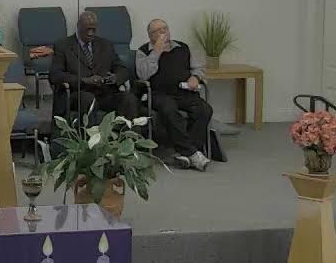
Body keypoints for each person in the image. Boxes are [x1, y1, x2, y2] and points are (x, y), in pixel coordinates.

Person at [137, 18, 213, 171]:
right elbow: (143, 75)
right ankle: (192, 153)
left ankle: (186, 153)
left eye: (165, 28)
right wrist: (156, 52)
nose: (163, 32)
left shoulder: (182, 47)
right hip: (159, 94)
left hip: (184, 91)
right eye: (158, 30)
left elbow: (198, 68)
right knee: (169, 108)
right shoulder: (143, 51)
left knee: (204, 109)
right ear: (150, 35)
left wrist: (195, 77)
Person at [49, 11, 140, 123]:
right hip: (77, 94)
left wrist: (115, 77)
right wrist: (83, 80)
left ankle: (129, 134)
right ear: (78, 26)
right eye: (87, 29)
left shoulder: (105, 45)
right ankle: (90, 134)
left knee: (128, 99)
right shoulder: (63, 46)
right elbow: (55, 75)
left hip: (104, 93)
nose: (91, 33)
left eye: (93, 29)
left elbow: (122, 68)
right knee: (88, 100)